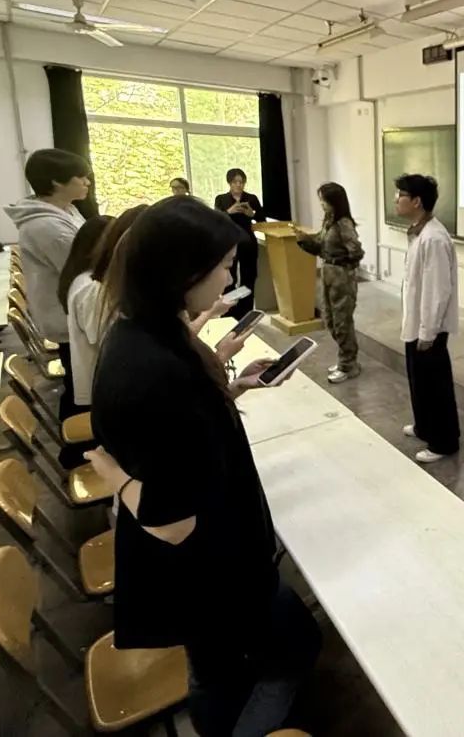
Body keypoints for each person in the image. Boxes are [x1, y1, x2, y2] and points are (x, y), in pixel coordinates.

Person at [83, 197, 320, 737]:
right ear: (182, 272)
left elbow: (184, 436)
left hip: (217, 563)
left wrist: (233, 388)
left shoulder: (146, 332)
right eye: (224, 266)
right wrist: (114, 476)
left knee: (220, 667)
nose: (230, 278)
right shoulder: (151, 368)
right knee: (267, 658)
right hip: (214, 570)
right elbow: (171, 520)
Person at [4, 148, 91, 420]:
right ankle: (78, 434)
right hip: (67, 314)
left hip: (72, 309)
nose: (87, 182)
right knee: (81, 384)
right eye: (81, 177)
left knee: (80, 377)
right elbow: (82, 268)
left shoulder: (67, 210)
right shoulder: (47, 226)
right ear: (56, 182)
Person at [395, 173, 460, 464]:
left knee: (435, 386)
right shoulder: (419, 232)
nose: (396, 199)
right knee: (419, 381)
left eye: (401, 195)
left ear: (417, 201)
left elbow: (437, 291)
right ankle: (424, 426)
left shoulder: (433, 239)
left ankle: (444, 442)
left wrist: (428, 332)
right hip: (417, 324)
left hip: (428, 328)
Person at [293, 182, 365, 384]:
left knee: (342, 322)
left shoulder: (343, 224)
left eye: (324, 201)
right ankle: (345, 360)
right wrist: (303, 239)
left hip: (341, 277)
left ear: (335, 201)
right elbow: (320, 247)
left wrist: (343, 265)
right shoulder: (329, 221)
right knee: (330, 320)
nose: (322, 204)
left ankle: (348, 364)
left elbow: (356, 251)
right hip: (328, 275)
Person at [56, 214, 113, 413]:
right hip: (100, 387)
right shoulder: (92, 288)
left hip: (99, 380)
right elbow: (104, 339)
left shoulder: (82, 279)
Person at [214, 168, 264, 319]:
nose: (238, 185)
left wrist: (251, 214)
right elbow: (216, 219)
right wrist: (229, 212)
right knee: (229, 278)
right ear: (229, 183)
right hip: (229, 243)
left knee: (249, 276)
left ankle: (246, 312)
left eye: (241, 182)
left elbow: (262, 219)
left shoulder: (251, 198)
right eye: (235, 182)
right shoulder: (221, 199)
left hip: (248, 242)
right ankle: (229, 312)